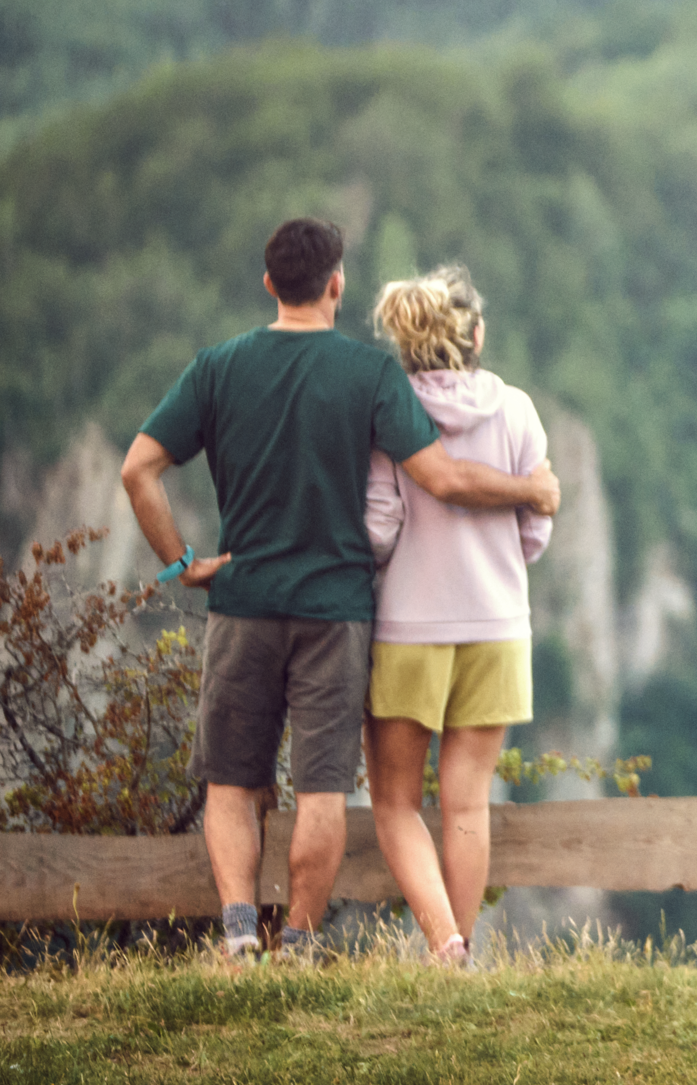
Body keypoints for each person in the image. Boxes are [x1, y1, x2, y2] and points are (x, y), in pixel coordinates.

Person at [119, 219, 560, 962]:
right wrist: (533, 493)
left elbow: (138, 469)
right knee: (324, 790)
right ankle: (300, 939)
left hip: (245, 599)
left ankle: (236, 936)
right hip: (342, 613)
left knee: (231, 780)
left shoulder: (216, 368)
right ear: (337, 284)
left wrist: (181, 563)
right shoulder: (371, 376)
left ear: (268, 285)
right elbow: (443, 480)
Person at [360, 264, 549, 966]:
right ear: (474, 333)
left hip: (409, 629)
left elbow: (379, 528)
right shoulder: (519, 409)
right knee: (466, 803)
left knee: (396, 802)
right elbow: (537, 528)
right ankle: (459, 957)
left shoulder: (391, 415)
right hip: (498, 626)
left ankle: (441, 941)